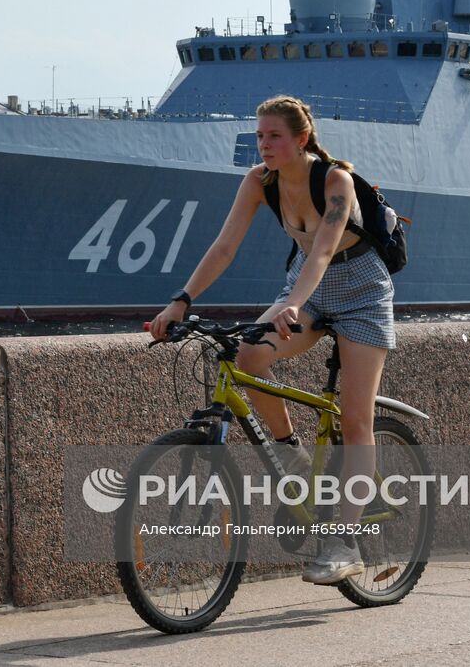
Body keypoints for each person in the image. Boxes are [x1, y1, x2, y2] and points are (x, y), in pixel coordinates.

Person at [149, 94, 396, 585]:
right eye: (259, 136)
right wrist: (182, 299)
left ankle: (345, 542)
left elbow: (324, 251)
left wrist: (293, 305)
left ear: (300, 138)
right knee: (248, 354)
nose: (263, 144)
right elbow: (224, 247)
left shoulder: (335, 181)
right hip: (305, 291)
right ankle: (294, 460)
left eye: (273, 136)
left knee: (354, 420)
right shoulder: (258, 182)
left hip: (361, 292)